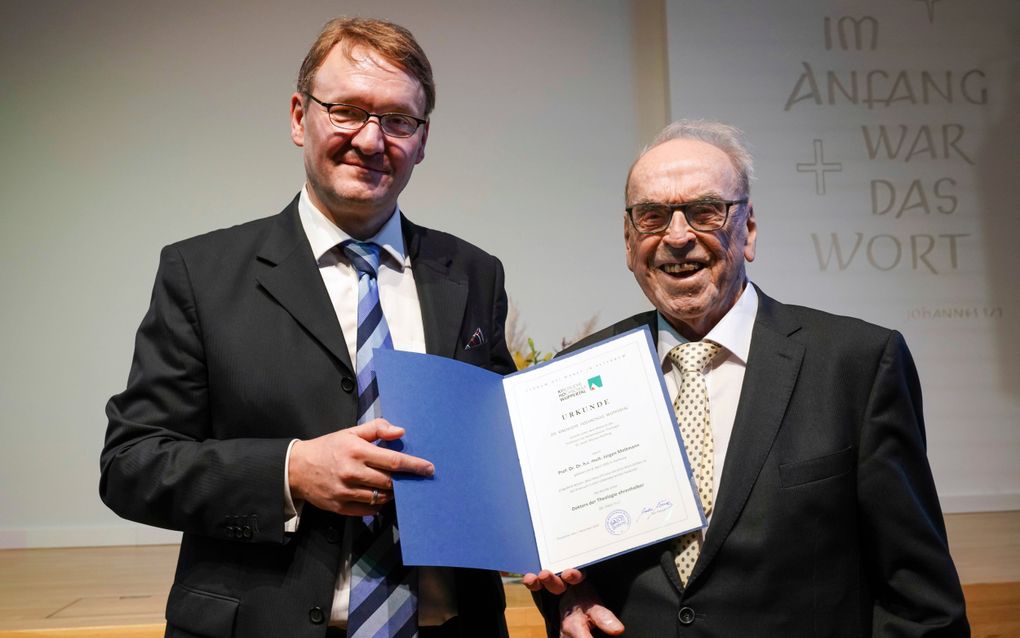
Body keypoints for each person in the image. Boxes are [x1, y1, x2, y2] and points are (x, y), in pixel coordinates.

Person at [100, 17, 513, 638]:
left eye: (399, 120)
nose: (372, 141)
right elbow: (131, 464)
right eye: (346, 111)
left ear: (422, 139)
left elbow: (503, 444)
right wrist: (290, 472)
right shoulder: (201, 274)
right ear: (300, 117)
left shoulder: (474, 273)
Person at [525, 120, 969, 637]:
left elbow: (921, 602)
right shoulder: (576, 375)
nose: (676, 236)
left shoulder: (858, 364)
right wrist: (568, 592)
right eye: (651, 216)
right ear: (629, 242)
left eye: (704, 211)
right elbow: (570, 567)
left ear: (748, 230)